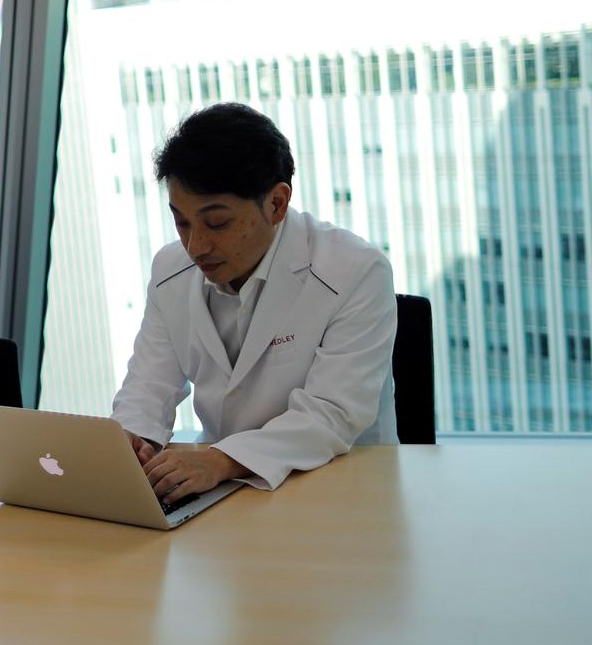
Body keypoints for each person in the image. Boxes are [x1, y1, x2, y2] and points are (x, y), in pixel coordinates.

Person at [112, 102, 397, 506]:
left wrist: (220, 461)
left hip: (340, 492)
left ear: (277, 204)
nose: (196, 246)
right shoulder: (169, 270)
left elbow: (331, 415)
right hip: (227, 495)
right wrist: (132, 440)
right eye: (182, 222)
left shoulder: (356, 271)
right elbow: (148, 384)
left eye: (217, 223)